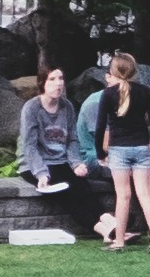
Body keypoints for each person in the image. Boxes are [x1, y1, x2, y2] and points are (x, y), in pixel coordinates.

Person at [93, 51, 150, 252]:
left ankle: (119, 241)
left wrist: (100, 153)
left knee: (123, 196)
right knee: (144, 194)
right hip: (141, 147)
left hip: (118, 149)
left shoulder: (108, 94)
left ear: (113, 72)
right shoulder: (145, 92)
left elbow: (100, 127)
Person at [13, 66, 94, 229]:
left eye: (61, 79)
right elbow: (29, 146)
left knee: (83, 186)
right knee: (66, 192)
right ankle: (104, 230)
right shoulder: (32, 108)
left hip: (60, 161)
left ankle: (112, 224)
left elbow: (72, 139)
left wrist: (76, 163)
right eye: (52, 79)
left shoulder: (67, 106)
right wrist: (41, 174)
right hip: (33, 164)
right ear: (42, 83)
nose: (58, 83)